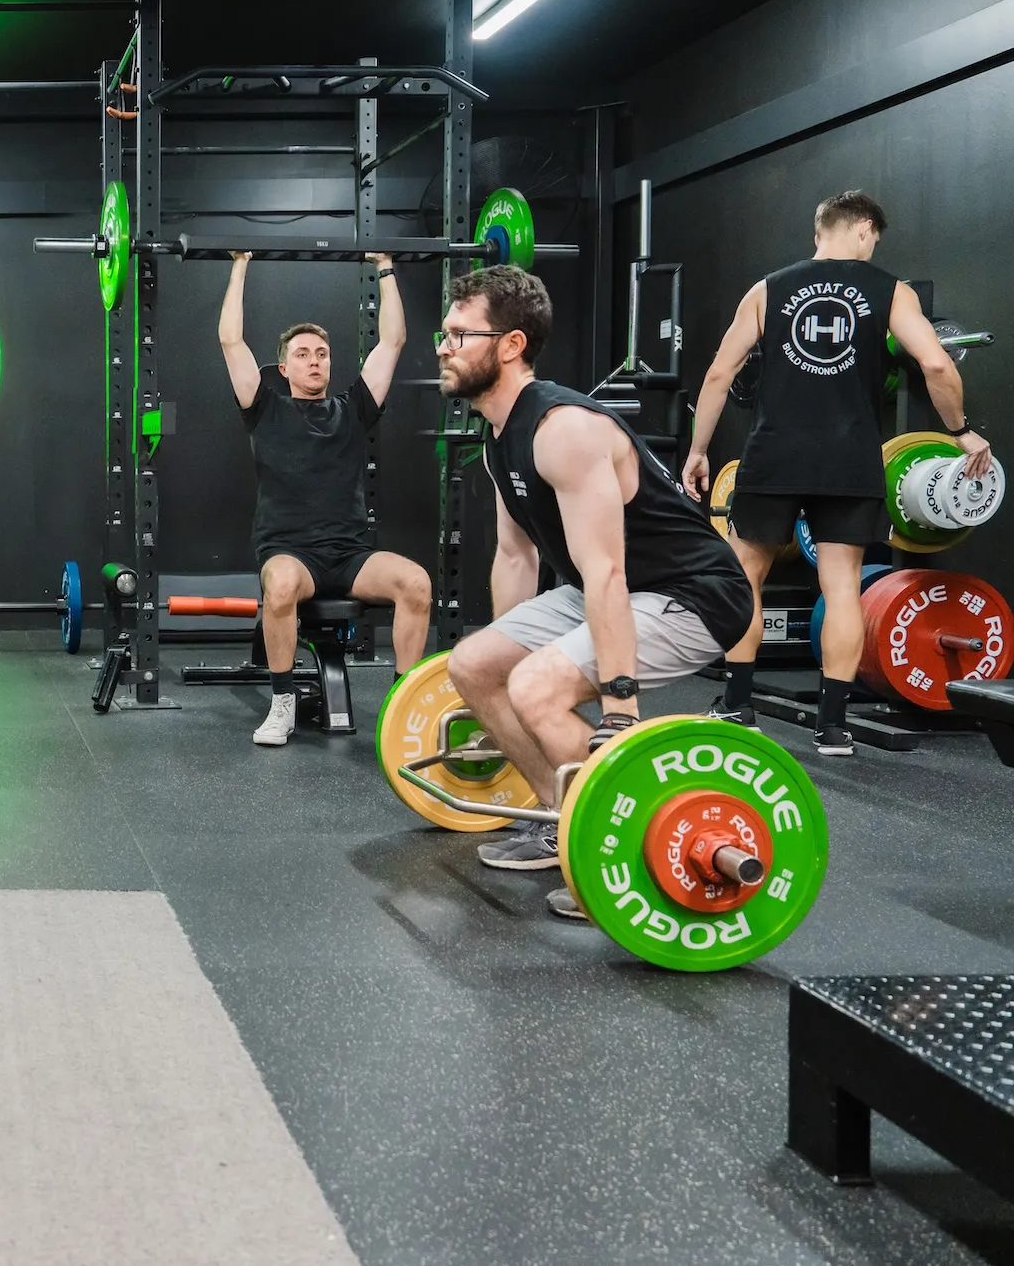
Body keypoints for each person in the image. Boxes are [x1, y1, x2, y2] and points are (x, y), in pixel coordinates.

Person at [436, 266, 753, 918]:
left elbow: (607, 569)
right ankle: (561, 816)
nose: (443, 347)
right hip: (608, 589)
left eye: (459, 334)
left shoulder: (563, 428)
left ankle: (628, 848)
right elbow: (515, 553)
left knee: (537, 687)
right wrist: (508, 651)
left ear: (510, 345)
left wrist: (619, 706)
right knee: (473, 664)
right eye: (444, 334)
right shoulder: (500, 438)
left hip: (692, 593)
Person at [683, 191, 991, 755]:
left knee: (745, 577)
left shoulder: (767, 289)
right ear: (866, 230)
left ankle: (738, 705)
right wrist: (961, 431)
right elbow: (937, 362)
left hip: (775, 454)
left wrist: (699, 449)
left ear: (818, 232)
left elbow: (718, 374)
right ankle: (832, 726)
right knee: (843, 587)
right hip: (849, 457)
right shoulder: (890, 291)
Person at [219, 250, 433, 747]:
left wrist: (385, 265)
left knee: (417, 584)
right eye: (303, 354)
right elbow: (230, 339)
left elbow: (393, 340)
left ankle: (403, 705)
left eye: (322, 354)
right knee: (280, 588)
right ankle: (282, 703)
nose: (314, 361)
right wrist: (239, 264)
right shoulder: (262, 407)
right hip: (289, 550)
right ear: (284, 366)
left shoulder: (353, 408)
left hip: (349, 555)